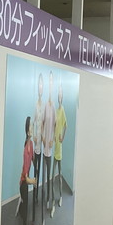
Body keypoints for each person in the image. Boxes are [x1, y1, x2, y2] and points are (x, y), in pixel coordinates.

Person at [19, 116, 37, 225]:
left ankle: (21, 201)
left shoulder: (31, 143)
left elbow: (33, 159)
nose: (32, 127)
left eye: (32, 125)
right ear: (27, 130)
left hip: (27, 179)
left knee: (25, 202)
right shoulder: (26, 149)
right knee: (25, 210)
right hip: (23, 183)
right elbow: (26, 177)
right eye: (30, 126)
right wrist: (33, 181)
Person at [42, 71, 56, 214]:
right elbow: (42, 123)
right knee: (43, 175)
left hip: (50, 148)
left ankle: (49, 200)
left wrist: (52, 140)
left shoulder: (54, 107)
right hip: (43, 146)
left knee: (49, 176)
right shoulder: (45, 106)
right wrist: (43, 137)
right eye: (49, 84)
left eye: (52, 83)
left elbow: (56, 125)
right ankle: (44, 197)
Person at [53, 81, 67, 214]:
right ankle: (52, 198)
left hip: (60, 148)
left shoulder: (62, 110)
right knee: (53, 175)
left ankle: (61, 196)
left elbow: (65, 125)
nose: (60, 96)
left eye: (61, 94)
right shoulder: (56, 110)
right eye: (59, 94)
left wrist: (63, 137)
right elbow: (54, 126)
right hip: (54, 146)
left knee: (60, 174)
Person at [32, 73, 45, 214]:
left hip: (41, 145)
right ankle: (34, 191)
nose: (40, 88)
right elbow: (34, 121)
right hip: (36, 143)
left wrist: (42, 138)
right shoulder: (36, 105)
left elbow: (43, 124)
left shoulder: (45, 105)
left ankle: (36, 195)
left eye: (42, 85)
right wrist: (34, 137)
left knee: (39, 169)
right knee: (34, 170)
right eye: (39, 85)